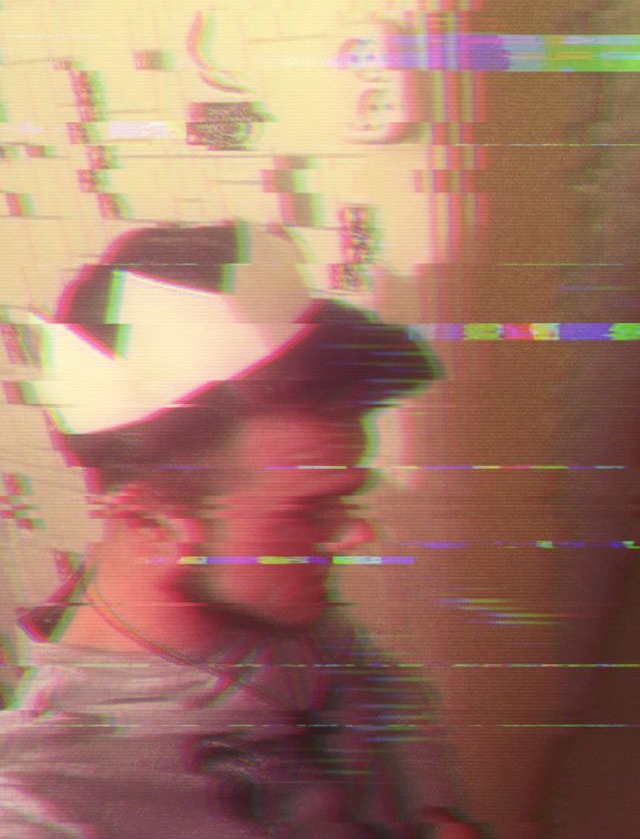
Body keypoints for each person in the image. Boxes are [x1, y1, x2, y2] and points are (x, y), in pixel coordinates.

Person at [0, 222, 481, 837]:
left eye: (345, 499)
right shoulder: (48, 807)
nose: (357, 536)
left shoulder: (271, 606)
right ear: (150, 520)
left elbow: (370, 685)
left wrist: (434, 815)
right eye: (308, 512)